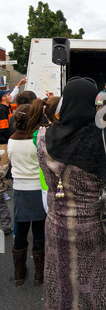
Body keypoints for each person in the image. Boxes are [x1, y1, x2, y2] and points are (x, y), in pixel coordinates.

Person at [36, 76, 106, 310]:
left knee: (61, 288)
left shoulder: (43, 138)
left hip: (58, 225)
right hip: (100, 228)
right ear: (93, 102)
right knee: (100, 289)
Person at [8, 104, 47, 286]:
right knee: (39, 230)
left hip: (20, 189)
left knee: (21, 229)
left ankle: (18, 273)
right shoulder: (36, 140)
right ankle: (39, 274)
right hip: (37, 188)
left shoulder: (11, 140)